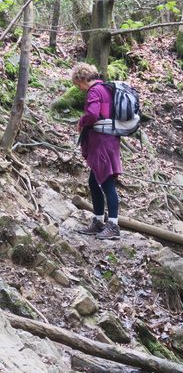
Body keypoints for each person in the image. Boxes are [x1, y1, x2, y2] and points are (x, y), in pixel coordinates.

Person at [73, 63, 122, 240]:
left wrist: (81, 121)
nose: (78, 88)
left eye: (77, 84)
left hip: (101, 143)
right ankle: (99, 221)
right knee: (94, 183)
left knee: (107, 182)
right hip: (109, 140)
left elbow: (93, 115)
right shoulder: (106, 89)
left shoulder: (94, 91)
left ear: (82, 79)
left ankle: (114, 226)